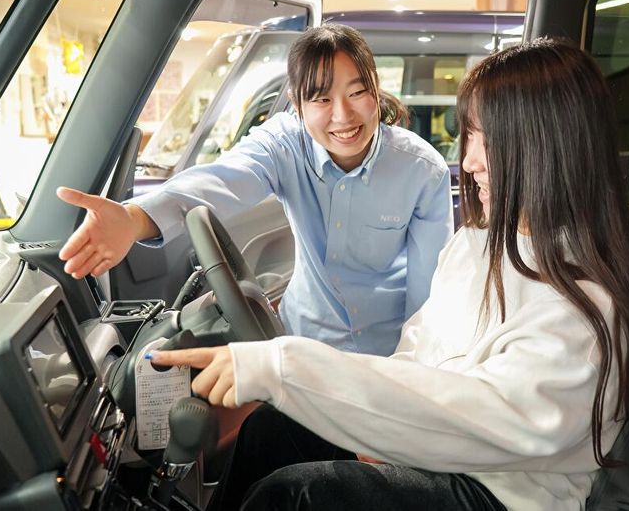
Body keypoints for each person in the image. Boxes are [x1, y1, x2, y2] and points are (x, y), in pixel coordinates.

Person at [149, 38, 629, 510]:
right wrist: (380, 428)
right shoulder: (480, 245)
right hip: (440, 443)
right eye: (468, 135)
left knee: (295, 496)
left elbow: (482, 421)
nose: (469, 162)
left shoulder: (581, 304)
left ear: (548, 146)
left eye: (487, 139)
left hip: (505, 489)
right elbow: (421, 344)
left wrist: (288, 368)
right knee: (270, 428)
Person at [57, 23, 454, 357]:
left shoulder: (422, 170)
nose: (343, 115)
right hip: (303, 346)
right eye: (321, 99)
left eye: (357, 93)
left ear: (375, 89)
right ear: (297, 105)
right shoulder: (285, 144)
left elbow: (428, 297)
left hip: (385, 353)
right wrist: (133, 218)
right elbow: (220, 179)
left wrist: (406, 376)